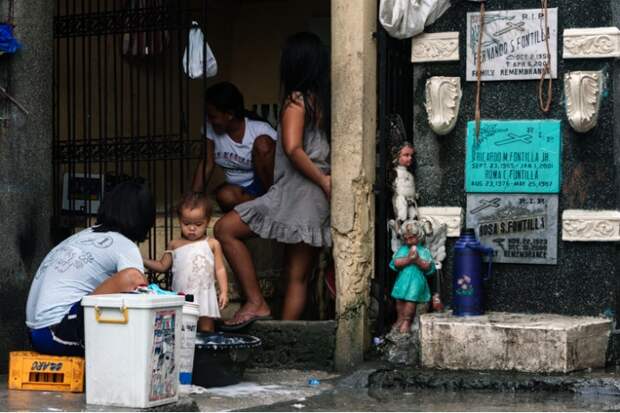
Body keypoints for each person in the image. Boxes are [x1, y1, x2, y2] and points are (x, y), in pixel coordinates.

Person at [214, 32, 331, 329]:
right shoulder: (320, 101)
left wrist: (322, 180)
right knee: (297, 275)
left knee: (224, 228)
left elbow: (292, 149)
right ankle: (286, 339)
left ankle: (257, 303)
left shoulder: (296, 101)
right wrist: (325, 182)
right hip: (311, 196)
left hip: (297, 192)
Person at [25, 180, 156, 356]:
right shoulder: (125, 246)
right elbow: (138, 286)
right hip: (56, 334)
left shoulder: (80, 236)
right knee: (134, 280)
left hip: (36, 334)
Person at [144, 192, 228, 332]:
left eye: (198, 224)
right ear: (179, 221)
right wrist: (142, 260)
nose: (192, 228)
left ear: (207, 222)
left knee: (206, 328)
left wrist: (224, 291)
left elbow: (220, 269)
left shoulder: (213, 244)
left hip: (205, 294)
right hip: (183, 294)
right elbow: (162, 266)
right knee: (181, 329)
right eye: (186, 223)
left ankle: (206, 353)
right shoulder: (174, 244)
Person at [192, 81, 277, 212]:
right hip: (239, 191)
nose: (209, 120)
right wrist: (194, 197)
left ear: (230, 114)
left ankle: (274, 201)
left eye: (213, 116)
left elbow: (284, 162)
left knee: (263, 144)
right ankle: (263, 206)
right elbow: (206, 163)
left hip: (265, 187)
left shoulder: (259, 129)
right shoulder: (210, 129)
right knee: (224, 196)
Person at [389, 219, 436, 334]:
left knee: (411, 299)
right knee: (399, 300)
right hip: (403, 280)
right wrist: (409, 259)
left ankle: (407, 321)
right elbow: (395, 263)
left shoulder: (423, 251)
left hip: (416, 281)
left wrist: (417, 260)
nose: (409, 241)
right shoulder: (403, 249)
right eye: (406, 238)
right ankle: (400, 318)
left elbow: (428, 267)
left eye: (411, 238)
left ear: (418, 236)